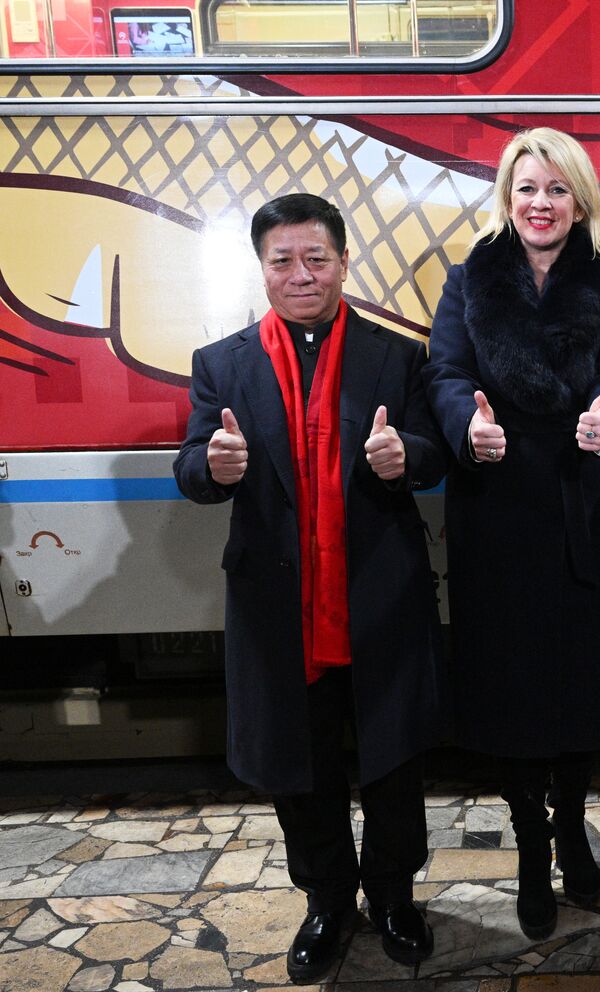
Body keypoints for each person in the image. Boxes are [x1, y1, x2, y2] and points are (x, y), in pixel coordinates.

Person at [174, 194, 445, 983]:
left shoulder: (396, 356)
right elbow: (193, 465)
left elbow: (432, 450)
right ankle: (327, 900)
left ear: (344, 262)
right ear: (261, 268)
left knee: (395, 763)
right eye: (283, 261)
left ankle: (395, 897)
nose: (301, 274)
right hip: (278, 610)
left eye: (316, 259)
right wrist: (212, 467)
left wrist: (410, 457)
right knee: (302, 766)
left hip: (379, 598)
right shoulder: (221, 364)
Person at [423, 127, 600, 941]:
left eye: (556, 190)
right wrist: (463, 426)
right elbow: (445, 374)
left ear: (578, 200)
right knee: (511, 694)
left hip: (584, 514)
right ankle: (527, 849)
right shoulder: (467, 283)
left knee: (580, 689)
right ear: (506, 202)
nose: (541, 204)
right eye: (526, 190)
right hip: (499, 512)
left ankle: (573, 828)